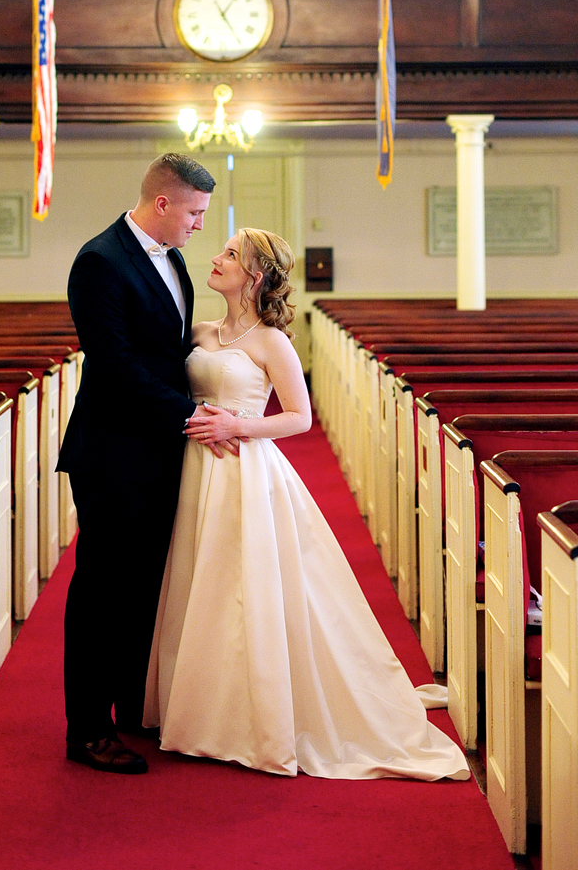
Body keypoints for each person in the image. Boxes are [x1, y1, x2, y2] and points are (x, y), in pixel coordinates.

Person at [144, 228, 470, 782]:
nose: (216, 258)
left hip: (244, 470)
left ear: (255, 275)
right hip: (195, 470)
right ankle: (198, 703)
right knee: (200, 582)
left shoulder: (273, 341)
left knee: (246, 586)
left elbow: (299, 417)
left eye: (229, 254)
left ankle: (253, 716)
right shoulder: (200, 330)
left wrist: (237, 424)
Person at [60, 152, 239, 775]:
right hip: (113, 451)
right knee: (103, 589)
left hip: (160, 447)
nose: (198, 225)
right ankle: (85, 729)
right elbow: (114, 365)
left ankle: (131, 704)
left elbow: (169, 344)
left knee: (144, 586)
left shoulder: (174, 258)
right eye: (193, 212)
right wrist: (190, 415)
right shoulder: (100, 261)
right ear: (162, 203)